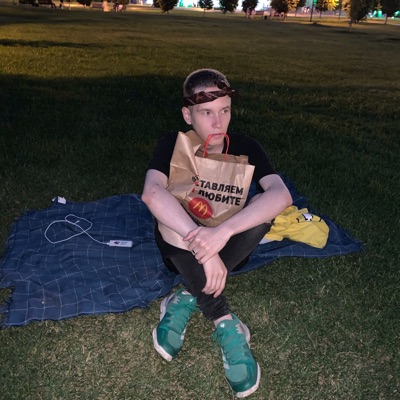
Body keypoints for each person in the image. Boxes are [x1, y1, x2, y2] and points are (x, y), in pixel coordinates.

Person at [141, 68, 292, 398]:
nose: (218, 121)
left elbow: (281, 195)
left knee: (263, 210)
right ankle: (224, 322)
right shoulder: (174, 144)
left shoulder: (245, 145)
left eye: (224, 110)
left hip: (229, 249)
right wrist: (202, 243)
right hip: (180, 248)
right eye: (206, 112)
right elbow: (151, 193)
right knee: (167, 214)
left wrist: (222, 233)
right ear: (188, 114)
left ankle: (186, 296)